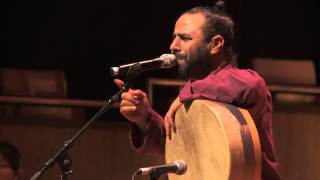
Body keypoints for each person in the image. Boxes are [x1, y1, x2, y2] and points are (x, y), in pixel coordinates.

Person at [114, 1, 282, 179]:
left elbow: (252, 85)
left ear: (215, 44)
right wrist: (143, 118)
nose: (173, 46)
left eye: (185, 38)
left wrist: (185, 96)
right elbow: (174, 142)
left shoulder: (239, 82)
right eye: (174, 37)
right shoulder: (194, 90)